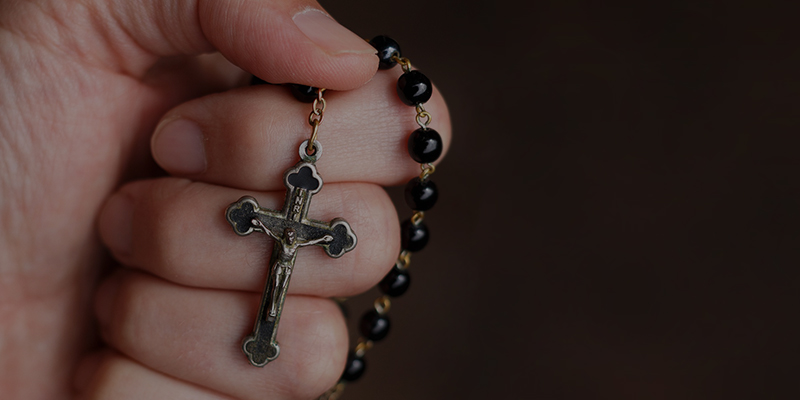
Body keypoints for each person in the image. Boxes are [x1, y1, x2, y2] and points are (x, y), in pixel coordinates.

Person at [0, 0, 450, 398]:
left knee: (290, 309)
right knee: (292, 316)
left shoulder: (305, 230)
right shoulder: (282, 222)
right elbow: (267, 221)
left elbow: (319, 235)